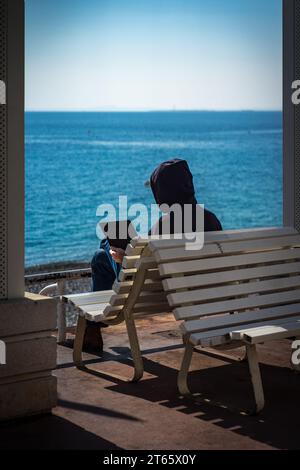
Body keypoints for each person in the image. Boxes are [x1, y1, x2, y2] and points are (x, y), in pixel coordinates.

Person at [84, 158, 222, 351]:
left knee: (101, 253)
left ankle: (93, 327)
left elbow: (144, 270)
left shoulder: (164, 226)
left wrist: (124, 257)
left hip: (150, 294)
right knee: (106, 251)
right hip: (195, 294)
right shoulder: (211, 220)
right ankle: (92, 327)